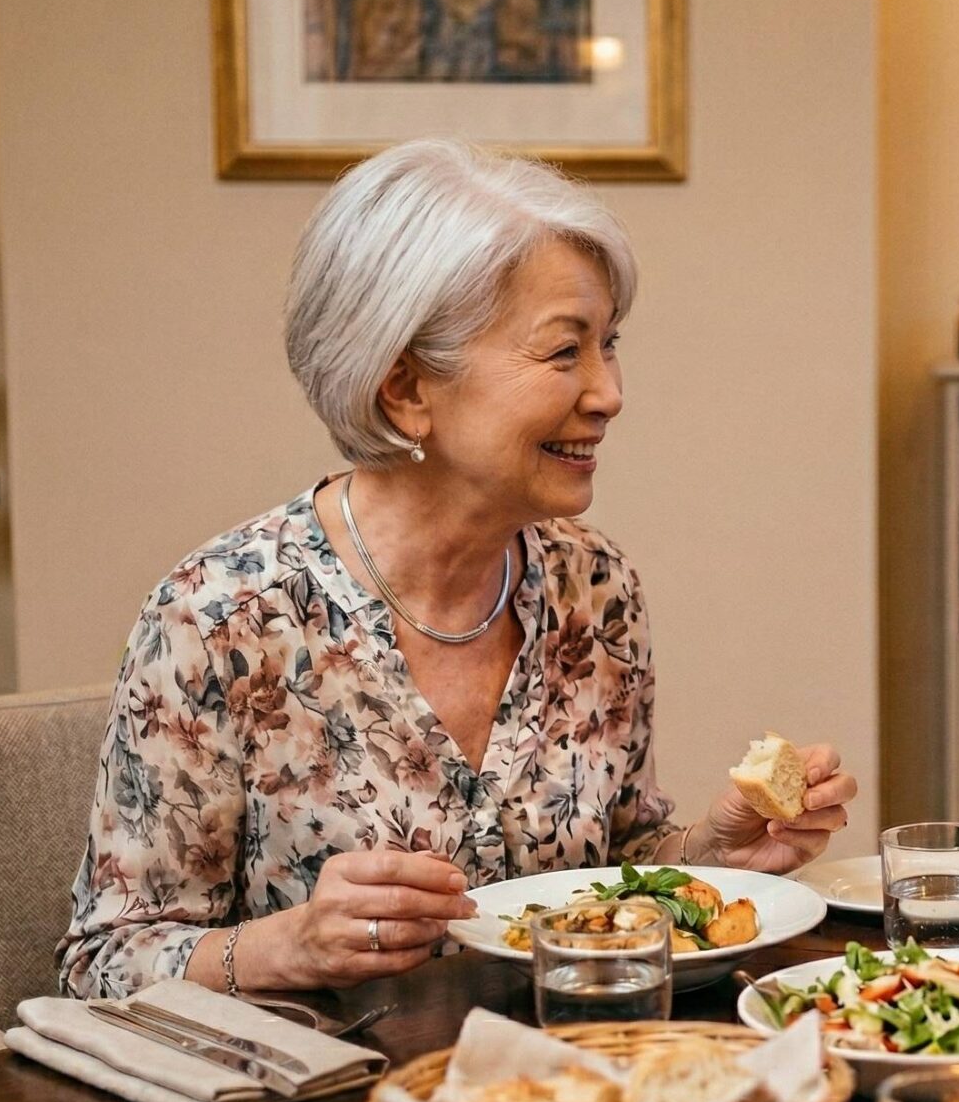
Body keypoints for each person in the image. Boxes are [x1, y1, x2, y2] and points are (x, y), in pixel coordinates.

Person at [59, 140, 856, 999]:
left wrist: (712, 858)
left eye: (608, 345)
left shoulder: (595, 589)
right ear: (404, 388)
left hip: (569, 1088)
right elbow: (99, 968)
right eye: (563, 353)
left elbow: (610, 870)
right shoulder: (219, 619)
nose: (608, 393)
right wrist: (286, 947)